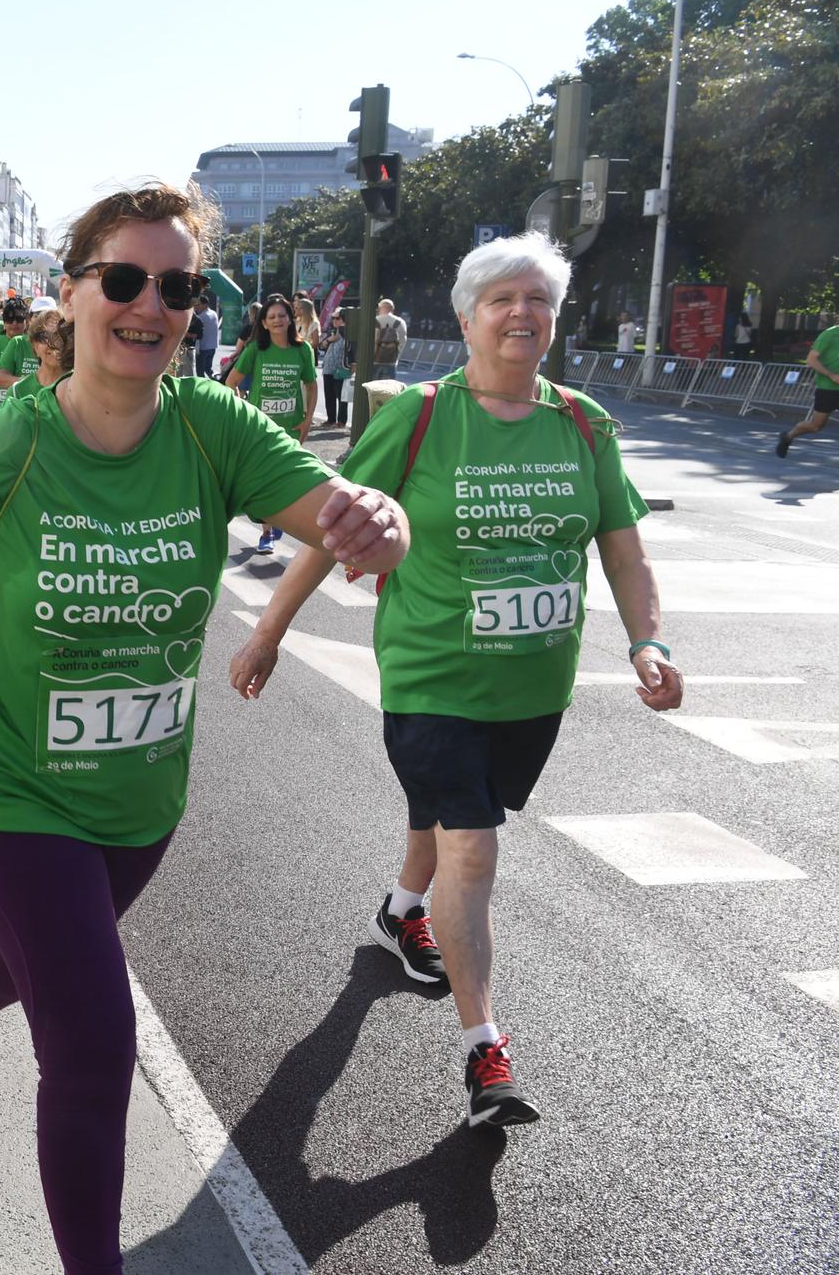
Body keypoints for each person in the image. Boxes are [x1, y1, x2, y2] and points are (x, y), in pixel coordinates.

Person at [0, 181, 407, 1275]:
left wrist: (377, 520)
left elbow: (331, 509)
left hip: (139, 797)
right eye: (121, 279)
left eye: (175, 286)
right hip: (11, 788)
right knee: (92, 1038)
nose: (148, 304)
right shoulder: (4, 442)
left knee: (28, 967)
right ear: (70, 294)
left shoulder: (211, 427)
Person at [232, 231, 679, 1131]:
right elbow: (333, 526)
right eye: (502, 300)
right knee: (473, 847)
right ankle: (485, 1052)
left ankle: (402, 908)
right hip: (432, 674)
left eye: (538, 300)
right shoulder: (423, 415)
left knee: (452, 817)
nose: (522, 314)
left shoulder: (584, 423)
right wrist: (269, 632)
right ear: (469, 318)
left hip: (533, 690)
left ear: (554, 319)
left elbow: (623, 550)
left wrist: (646, 642)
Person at [224, 299, 318, 553]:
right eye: (271, 317)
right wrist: (242, 410)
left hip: (292, 427)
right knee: (264, 480)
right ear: (264, 323)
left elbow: (310, 384)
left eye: (282, 315)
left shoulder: (302, 351)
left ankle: (276, 518)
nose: (277, 320)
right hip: (261, 428)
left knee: (286, 479)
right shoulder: (255, 349)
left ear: (291, 319)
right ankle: (267, 533)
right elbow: (230, 382)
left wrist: (308, 419)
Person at [776, 315, 839, 457]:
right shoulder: (829, 334)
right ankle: (788, 436)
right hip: (828, 388)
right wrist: (831, 375)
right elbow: (811, 360)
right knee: (816, 426)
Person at [0, 297, 45, 400]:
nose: (14, 323)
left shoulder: (63, 346)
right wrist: (32, 382)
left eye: (18, 319)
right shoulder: (17, 342)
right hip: (15, 407)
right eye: (37, 316)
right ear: (29, 319)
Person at [320, 309, 354, 427]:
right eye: (333, 318)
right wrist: (328, 340)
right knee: (329, 395)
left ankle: (341, 421)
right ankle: (331, 419)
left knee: (341, 396)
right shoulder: (332, 331)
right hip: (328, 367)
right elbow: (322, 344)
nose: (334, 320)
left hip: (341, 368)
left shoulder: (348, 332)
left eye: (337, 318)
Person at [373, 297, 408, 378]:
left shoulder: (373, 320)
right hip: (391, 361)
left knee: (373, 387)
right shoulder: (400, 322)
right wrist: (396, 356)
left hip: (375, 360)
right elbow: (403, 340)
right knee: (388, 387)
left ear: (379, 308)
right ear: (393, 309)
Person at [192, 295, 221, 377]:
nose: (196, 307)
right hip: (212, 347)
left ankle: (203, 387)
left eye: (198, 304)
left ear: (205, 305)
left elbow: (195, 331)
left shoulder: (201, 317)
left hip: (203, 348)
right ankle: (217, 382)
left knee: (200, 372)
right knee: (208, 370)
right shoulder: (214, 313)